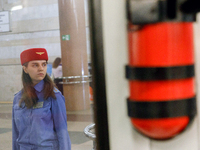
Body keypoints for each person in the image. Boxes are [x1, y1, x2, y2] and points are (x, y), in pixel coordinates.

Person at [12, 48, 71, 150]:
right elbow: (15, 133)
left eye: (43, 64)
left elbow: (62, 132)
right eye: (35, 65)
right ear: (25, 69)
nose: (41, 68)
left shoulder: (53, 96)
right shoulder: (18, 98)